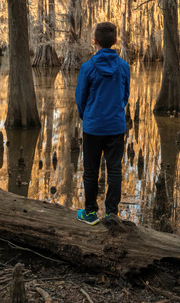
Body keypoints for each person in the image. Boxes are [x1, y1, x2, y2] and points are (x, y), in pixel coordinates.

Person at [74, 22, 130, 225]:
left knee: (90, 170)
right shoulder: (124, 67)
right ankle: (111, 214)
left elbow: (80, 98)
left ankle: (90, 213)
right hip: (115, 126)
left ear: (94, 42)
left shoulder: (87, 68)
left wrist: (88, 116)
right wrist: (114, 112)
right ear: (115, 41)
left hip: (93, 127)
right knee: (114, 170)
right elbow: (125, 96)